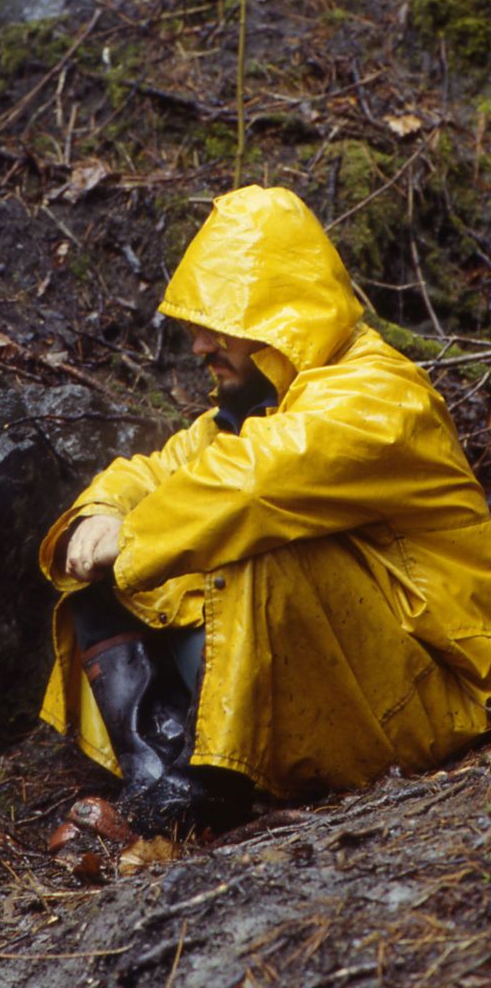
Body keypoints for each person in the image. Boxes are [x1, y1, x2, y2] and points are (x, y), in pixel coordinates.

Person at [39, 185, 491, 835]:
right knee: (102, 583)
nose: (198, 347)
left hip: (436, 695)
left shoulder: (378, 396)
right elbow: (157, 471)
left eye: (214, 325)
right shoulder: (263, 404)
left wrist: (131, 535)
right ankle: (160, 781)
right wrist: (101, 513)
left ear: (278, 321)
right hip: (363, 687)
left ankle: (213, 782)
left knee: (242, 539)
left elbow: (256, 483)